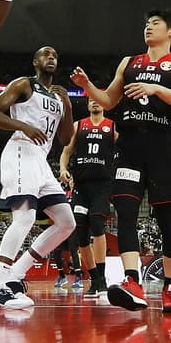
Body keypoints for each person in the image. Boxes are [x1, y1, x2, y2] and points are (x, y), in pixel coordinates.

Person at [72, 9, 171, 315]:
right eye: (146, 24)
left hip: (163, 144)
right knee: (125, 212)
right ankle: (132, 281)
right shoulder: (129, 62)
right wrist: (87, 86)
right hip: (129, 145)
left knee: (166, 220)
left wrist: (155, 88)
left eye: (155, 24)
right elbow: (109, 101)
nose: (148, 28)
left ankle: (170, 288)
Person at [0, 45, 76, 309]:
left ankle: (15, 276)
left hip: (41, 161)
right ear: (35, 61)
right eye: (46, 54)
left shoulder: (58, 98)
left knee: (67, 223)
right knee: (25, 218)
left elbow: (66, 138)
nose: (52, 58)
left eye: (56, 55)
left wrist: (67, 104)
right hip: (20, 150)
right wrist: (24, 126)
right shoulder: (24, 85)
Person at [59, 98, 117, 298]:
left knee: (97, 223)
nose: (95, 103)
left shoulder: (112, 126)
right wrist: (63, 168)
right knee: (80, 232)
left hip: (102, 184)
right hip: (81, 186)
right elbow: (66, 151)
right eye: (91, 100)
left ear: (105, 104)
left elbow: (125, 149)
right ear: (87, 105)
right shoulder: (79, 125)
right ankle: (94, 278)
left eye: (98, 99)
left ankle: (102, 276)